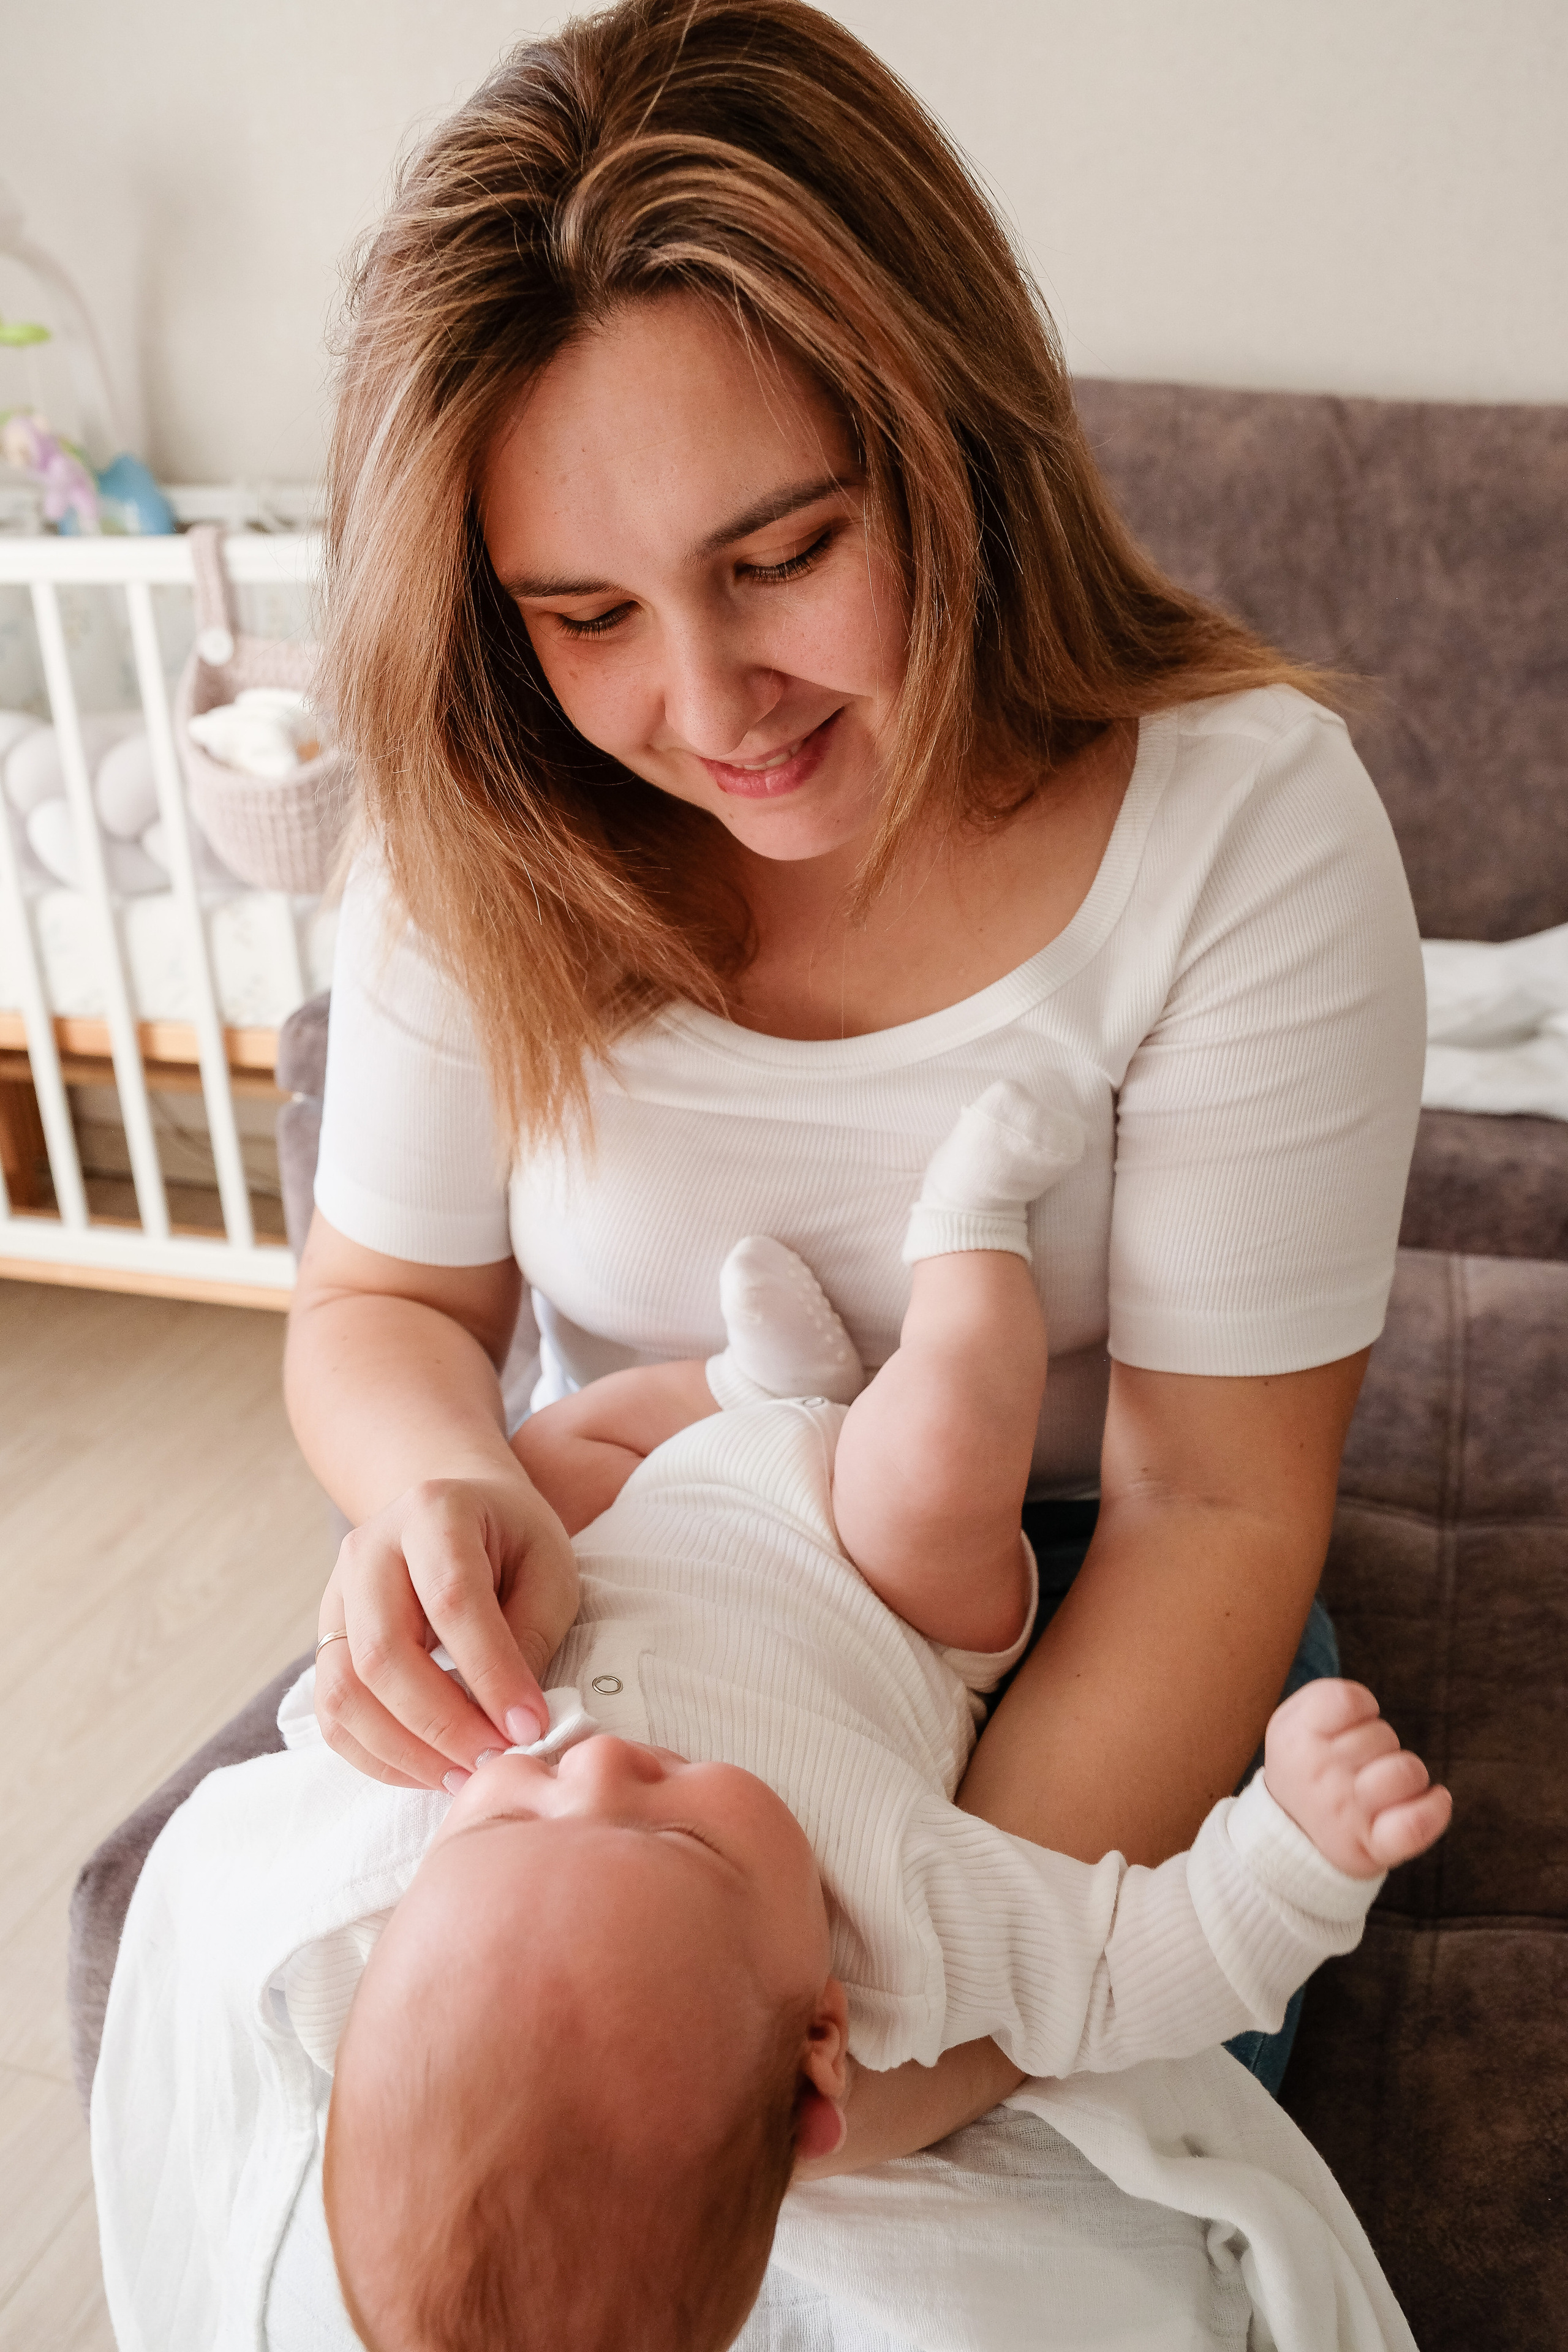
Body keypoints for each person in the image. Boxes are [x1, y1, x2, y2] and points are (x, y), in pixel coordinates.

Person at [287, 0, 1425, 2157]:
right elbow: (382, 1317)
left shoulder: (1242, 830)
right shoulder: (483, 818)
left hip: (1093, 1596)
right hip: (647, 1596)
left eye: (782, 556)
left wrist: (928, 2022)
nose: (711, 705)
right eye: (583, 611)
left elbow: (1216, 1505)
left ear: (955, 438)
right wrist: (451, 1491)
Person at [91, 1103, 1444, 2351]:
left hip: (647, 1499)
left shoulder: (430, 1889)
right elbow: (1132, 1966)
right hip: (870, 1571)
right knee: (926, 1467)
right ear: (819, 2044)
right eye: (679, 1842)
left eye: (507, 1816)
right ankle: (969, 1227)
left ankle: (750, 1385)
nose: (591, 1766)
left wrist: (436, 1551)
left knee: (542, 1458)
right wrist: (1296, 1861)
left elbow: (296, 1864)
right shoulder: (912, 1935)